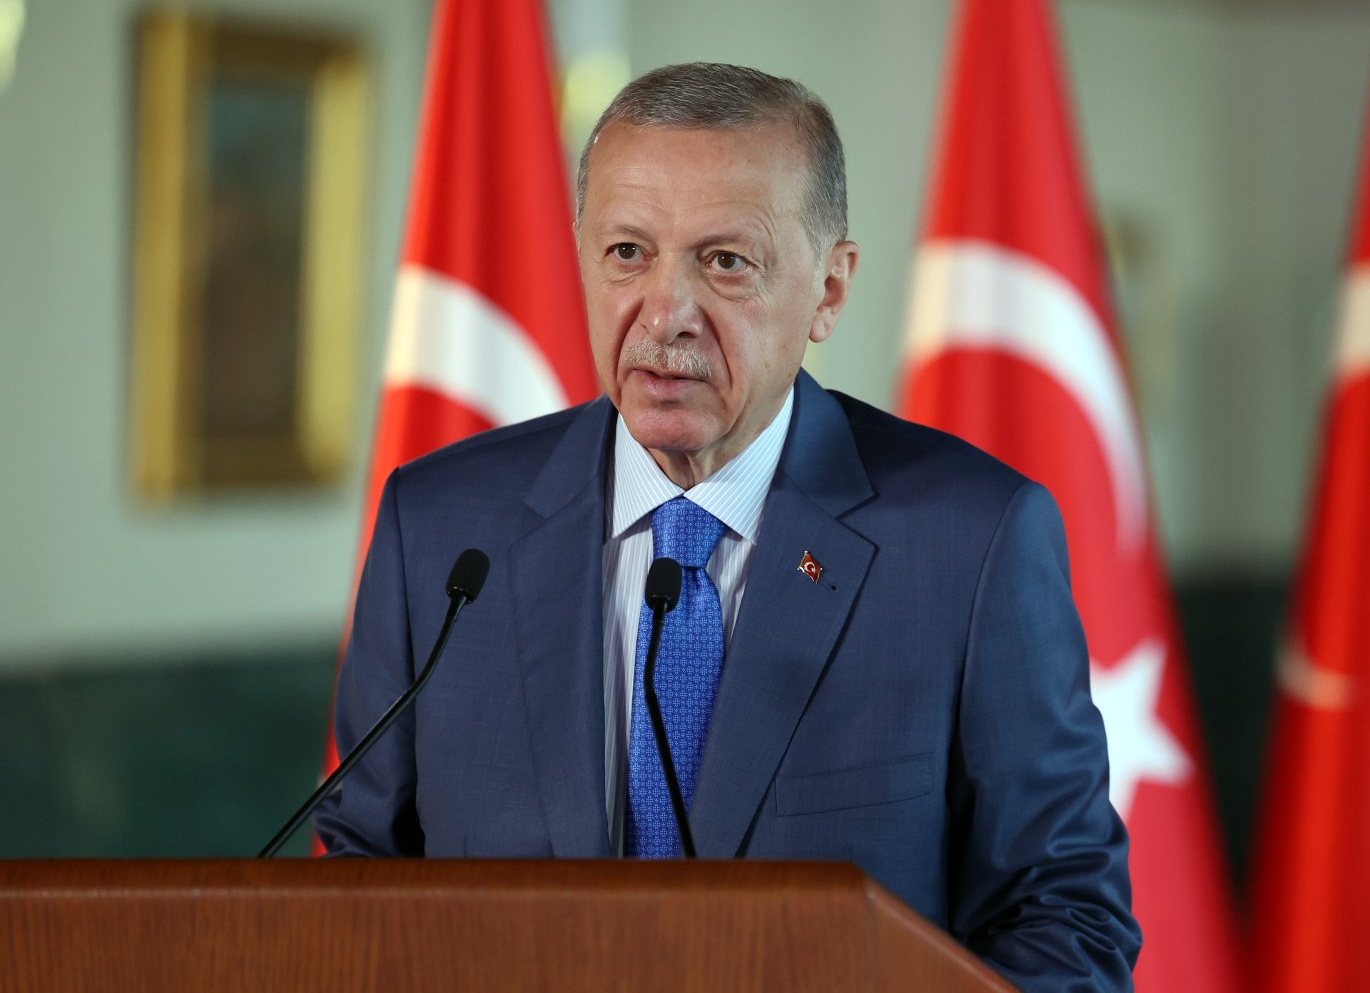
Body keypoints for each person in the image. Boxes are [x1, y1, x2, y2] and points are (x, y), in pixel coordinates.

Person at [316, 62, 1139, 990]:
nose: (666, 314)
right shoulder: (439, 528)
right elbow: (360, 878)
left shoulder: (972, 542)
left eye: (725, 262)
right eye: (628, 252)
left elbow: (1064, 916)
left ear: (829, 290)